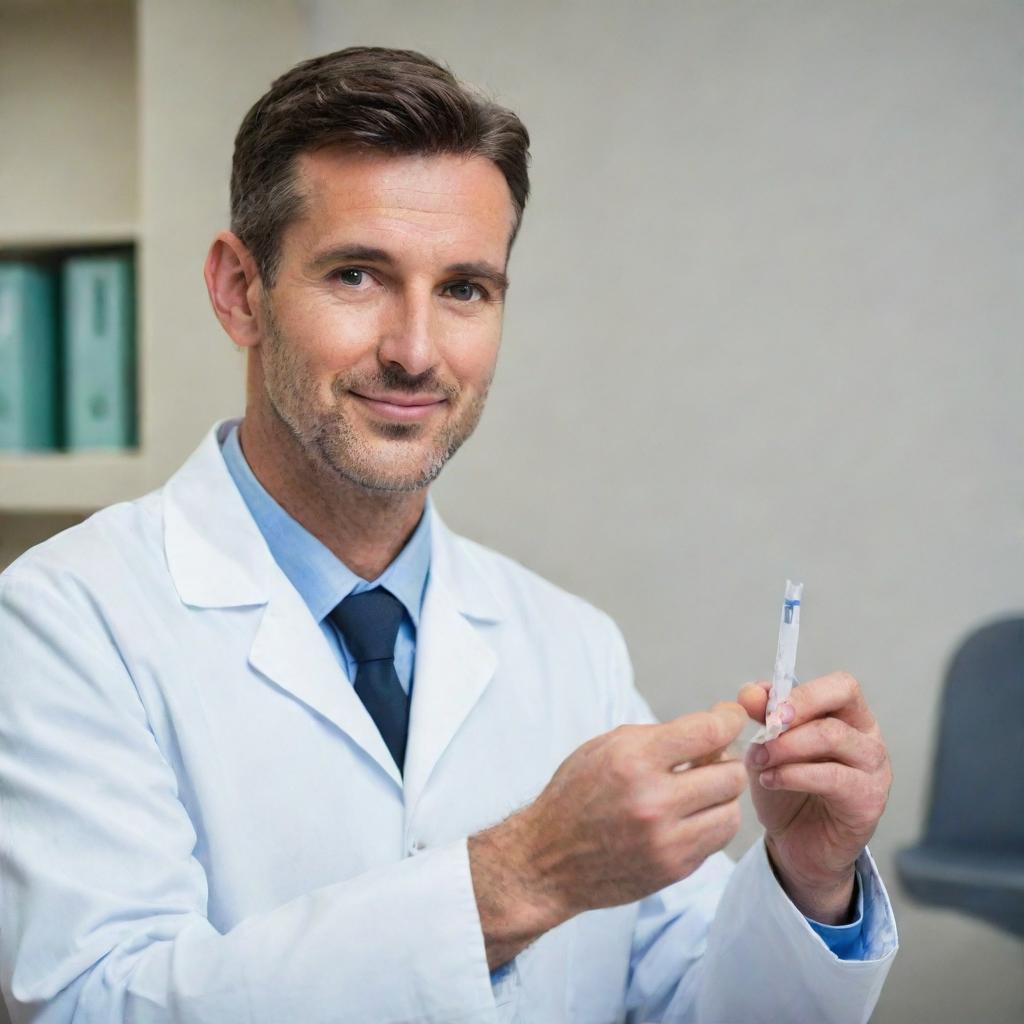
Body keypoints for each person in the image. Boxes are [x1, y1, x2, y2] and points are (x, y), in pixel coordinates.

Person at [0, 46, 898, 1023]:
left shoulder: (569, 644)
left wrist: (812, 884)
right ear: (238, 290)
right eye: (356, 274)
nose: (416, 351)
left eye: (465, 288)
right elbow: (93, 1005)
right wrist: (520, 879)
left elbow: (691, 1003)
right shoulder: (63, 622)